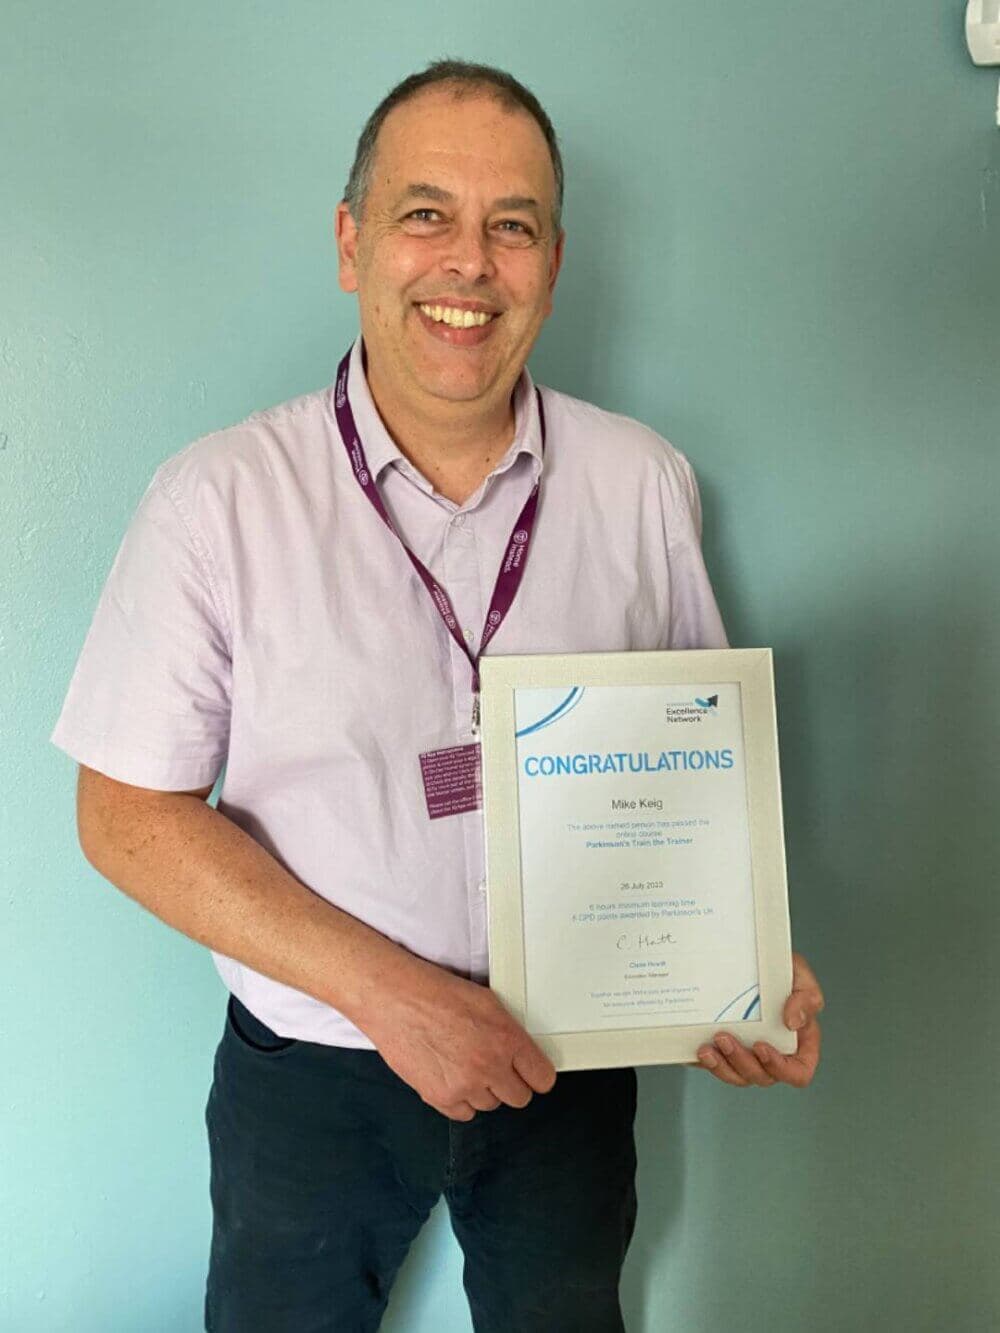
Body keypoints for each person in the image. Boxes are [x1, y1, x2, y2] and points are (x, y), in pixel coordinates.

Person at [51, 59, 824, 1333]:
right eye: (425, 215)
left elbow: (692, 772)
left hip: (567, 1069)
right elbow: (124, 813)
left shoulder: (641, 485)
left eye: (509, 226)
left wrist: (739, 965)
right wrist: (396, 999)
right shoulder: (218, 499)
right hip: (313, 1077)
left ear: (553, 262)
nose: (468, 263)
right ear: (352, 242)